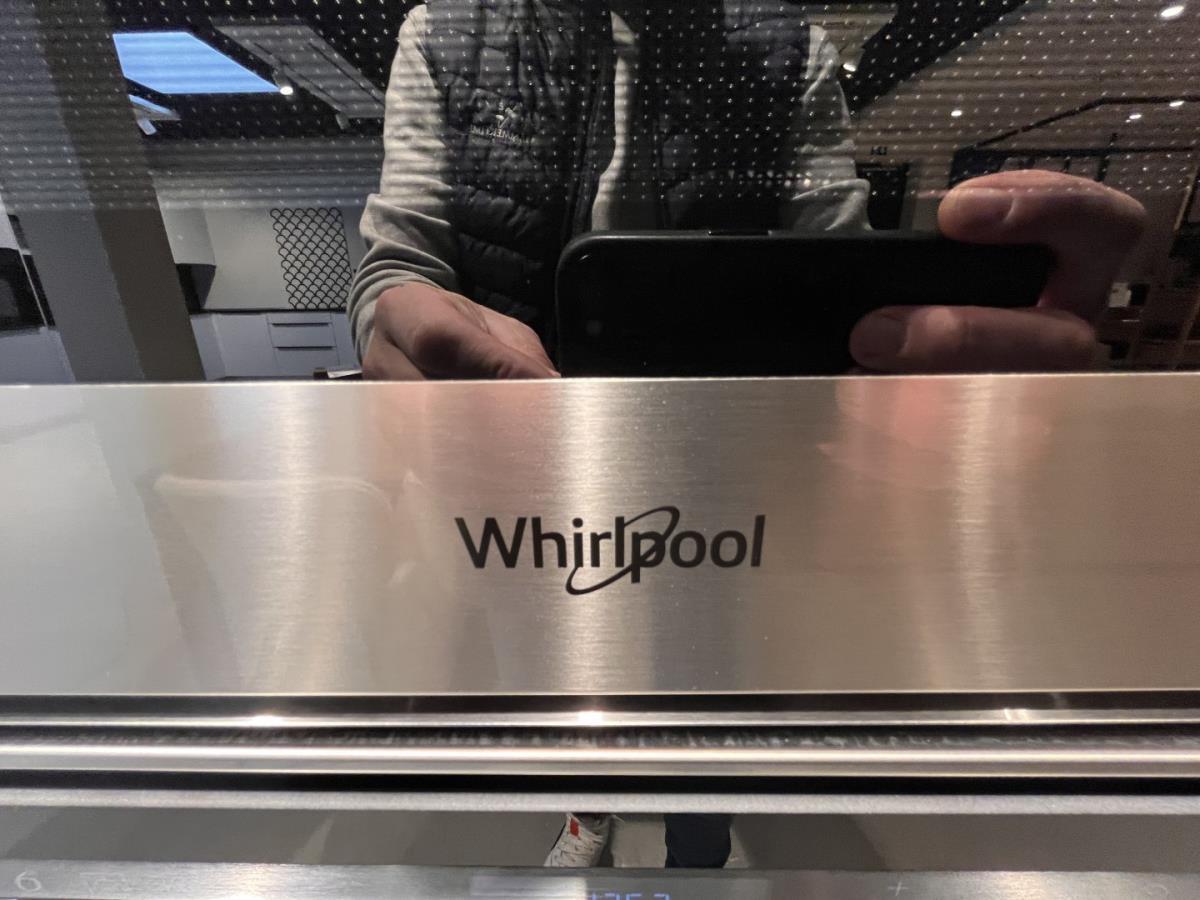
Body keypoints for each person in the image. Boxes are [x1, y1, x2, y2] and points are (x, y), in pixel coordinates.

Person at [347, 0, 1146, 869]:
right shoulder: (449, 31)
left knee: (706, 677)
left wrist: (903, 384)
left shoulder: (785, 48)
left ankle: (700, 839)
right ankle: (589, 810)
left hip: (726, 478)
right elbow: (400, 262)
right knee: (567, 667)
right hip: (526, 478)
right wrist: (395, 324)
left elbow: (832, 266)